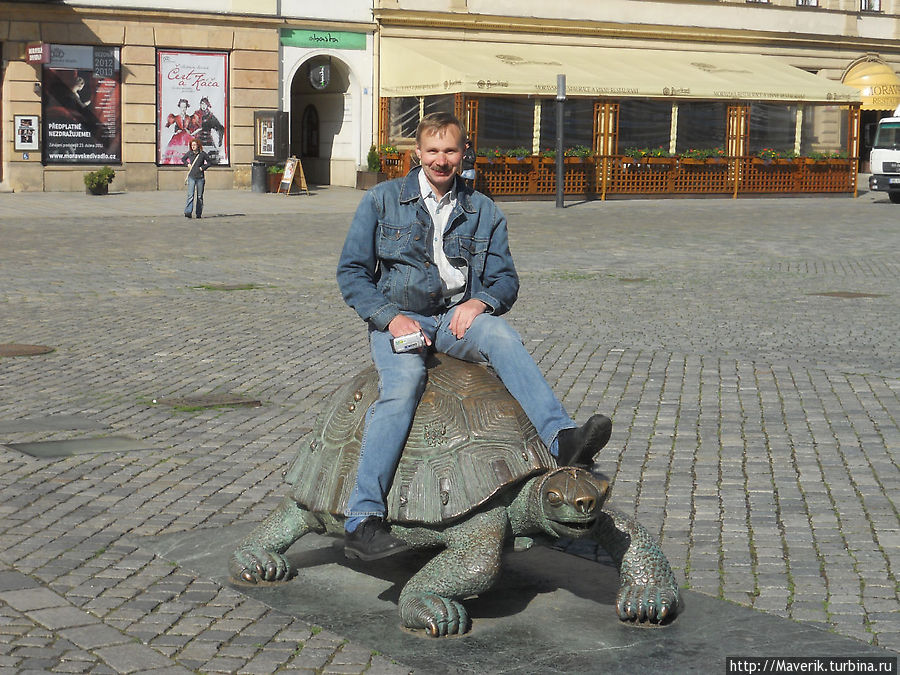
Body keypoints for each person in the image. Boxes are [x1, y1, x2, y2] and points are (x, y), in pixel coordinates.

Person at [336, 112, 612, 561]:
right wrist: (389, 318)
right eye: (432, 151)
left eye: (450, 151)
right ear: (417, 155)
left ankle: (562, 438)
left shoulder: (483, 209)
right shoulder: (383, 200)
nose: (441, 160)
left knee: (501, 337)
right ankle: (363, 518)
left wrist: (478, 303)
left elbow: (505, 280)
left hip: (454, 318)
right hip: (400, 319)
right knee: (402, 390)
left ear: (465, 153)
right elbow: (352, 273)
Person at [182, 138, 211, 219]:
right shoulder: (190, 153)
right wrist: (187, 164)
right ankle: (188, 212)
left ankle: (198, 213)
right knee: (190, 195)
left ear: (198, 145)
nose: (193, 146)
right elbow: (183, 159)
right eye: (192, 145)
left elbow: (209, 163)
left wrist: (202, 168)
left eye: (194, 145)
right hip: (191, 177)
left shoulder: (202, 154)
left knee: (199, 196)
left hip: (200, 178)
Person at [191, 97, 225, 164]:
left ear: (207, 105)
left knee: (212, 160)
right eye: (202, 104)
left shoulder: (210, 116)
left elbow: (220, 128)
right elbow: (189, 125)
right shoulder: (196, 115)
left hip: (208, 140)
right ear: (200, 105)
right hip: (198, 139)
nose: (203, 106)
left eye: (205, 104)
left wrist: (220, 140)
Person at [163, 99, 195, 164]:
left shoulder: (189, 118)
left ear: (186, 108)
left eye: (184, 107)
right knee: (174, 151)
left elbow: (192, 128)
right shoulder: (176, 117)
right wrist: (175, 132)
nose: (183, 109)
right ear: (179, 107)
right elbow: (167, 126)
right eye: (182, 107)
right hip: (177, 138)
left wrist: (189, 131)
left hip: (187, 137)